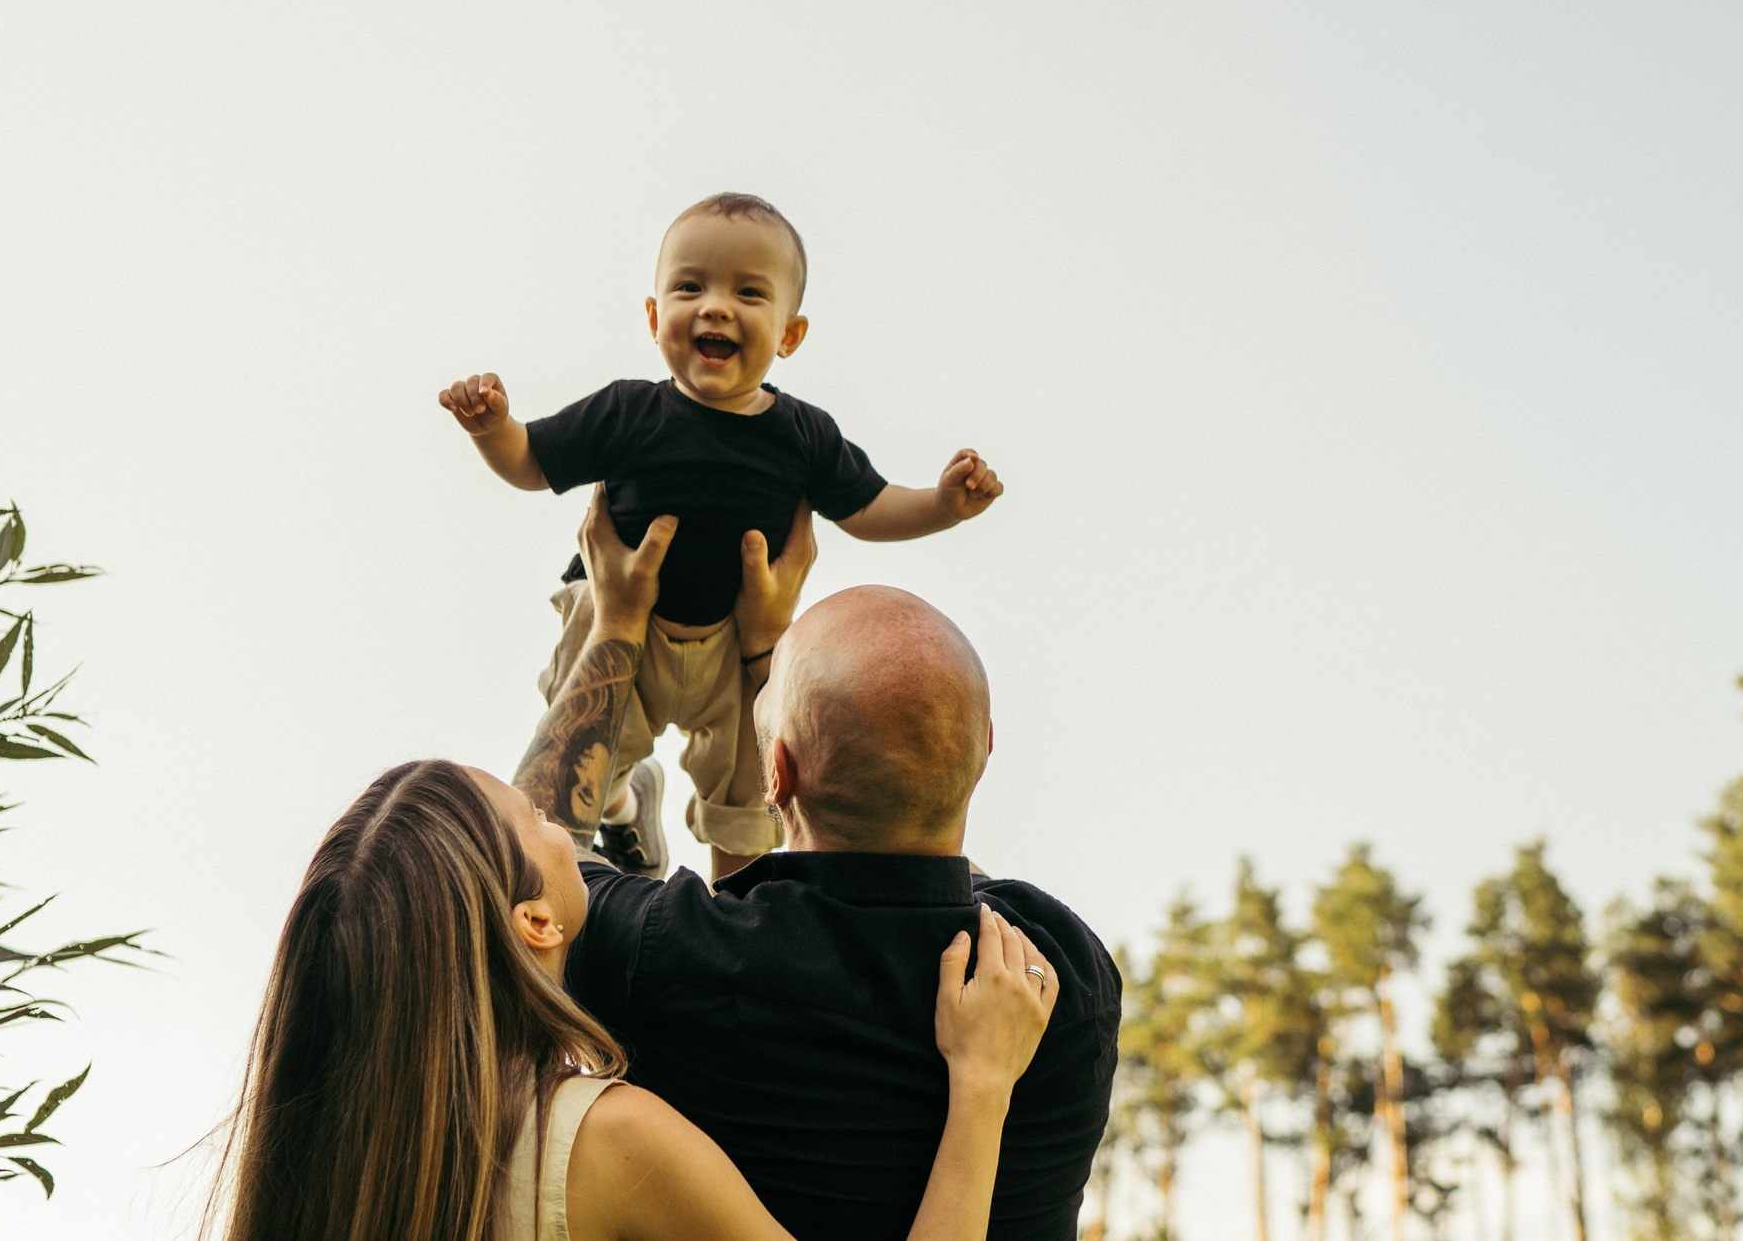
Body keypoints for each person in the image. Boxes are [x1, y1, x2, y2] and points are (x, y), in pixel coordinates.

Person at [512, 487, 1118, 1241]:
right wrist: (773, 667)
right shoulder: (1062, 973)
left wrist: (617, 620)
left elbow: (529, 848)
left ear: (781, 772)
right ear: (985, 748)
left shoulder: (676, 953)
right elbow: (895, 858)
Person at [211, 762, 1057, 1241]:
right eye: (539, 815)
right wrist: (982, 1086)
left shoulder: (337, 1168)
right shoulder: (603, 1142)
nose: (558, 825)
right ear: (535, 918)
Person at [439, 191, 1004, 878]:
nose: (715, 306)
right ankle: (622, 810)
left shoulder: (802, 434)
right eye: (689, 286)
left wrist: (943, 503)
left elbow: (867, 506)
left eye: (748, 292)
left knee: (757, 785)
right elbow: (531, 461)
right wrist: (492, 429)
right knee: (593, 755)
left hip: (736, 649)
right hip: (624, 631)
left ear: (790, 335)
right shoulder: (628, 411)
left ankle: (733, 909)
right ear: (653, 318)